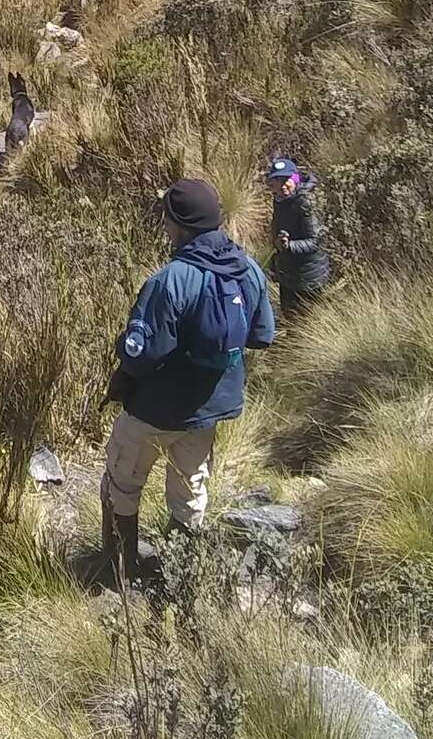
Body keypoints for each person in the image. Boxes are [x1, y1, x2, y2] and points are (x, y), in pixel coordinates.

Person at [102, 177, 275, 582]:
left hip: (154, 409)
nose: (164, 225)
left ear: (179, 223)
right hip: (210, 410)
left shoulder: (171, 279)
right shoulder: (249, 269)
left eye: (166, 218)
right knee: (191, 491)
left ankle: (118, 571)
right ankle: (182, 576)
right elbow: (262, 335)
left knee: (121, 483)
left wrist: (122, 348)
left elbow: (142, 354)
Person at [262, 156, 330, 321]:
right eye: (278, 180)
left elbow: (315, 241)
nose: (283, 184)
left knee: (309, 323)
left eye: (287, 179)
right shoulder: (280, 200)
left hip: (308, 276)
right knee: (290, 317)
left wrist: (289, 246)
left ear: (295, 178)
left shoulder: (305, 202)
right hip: (288, 273)